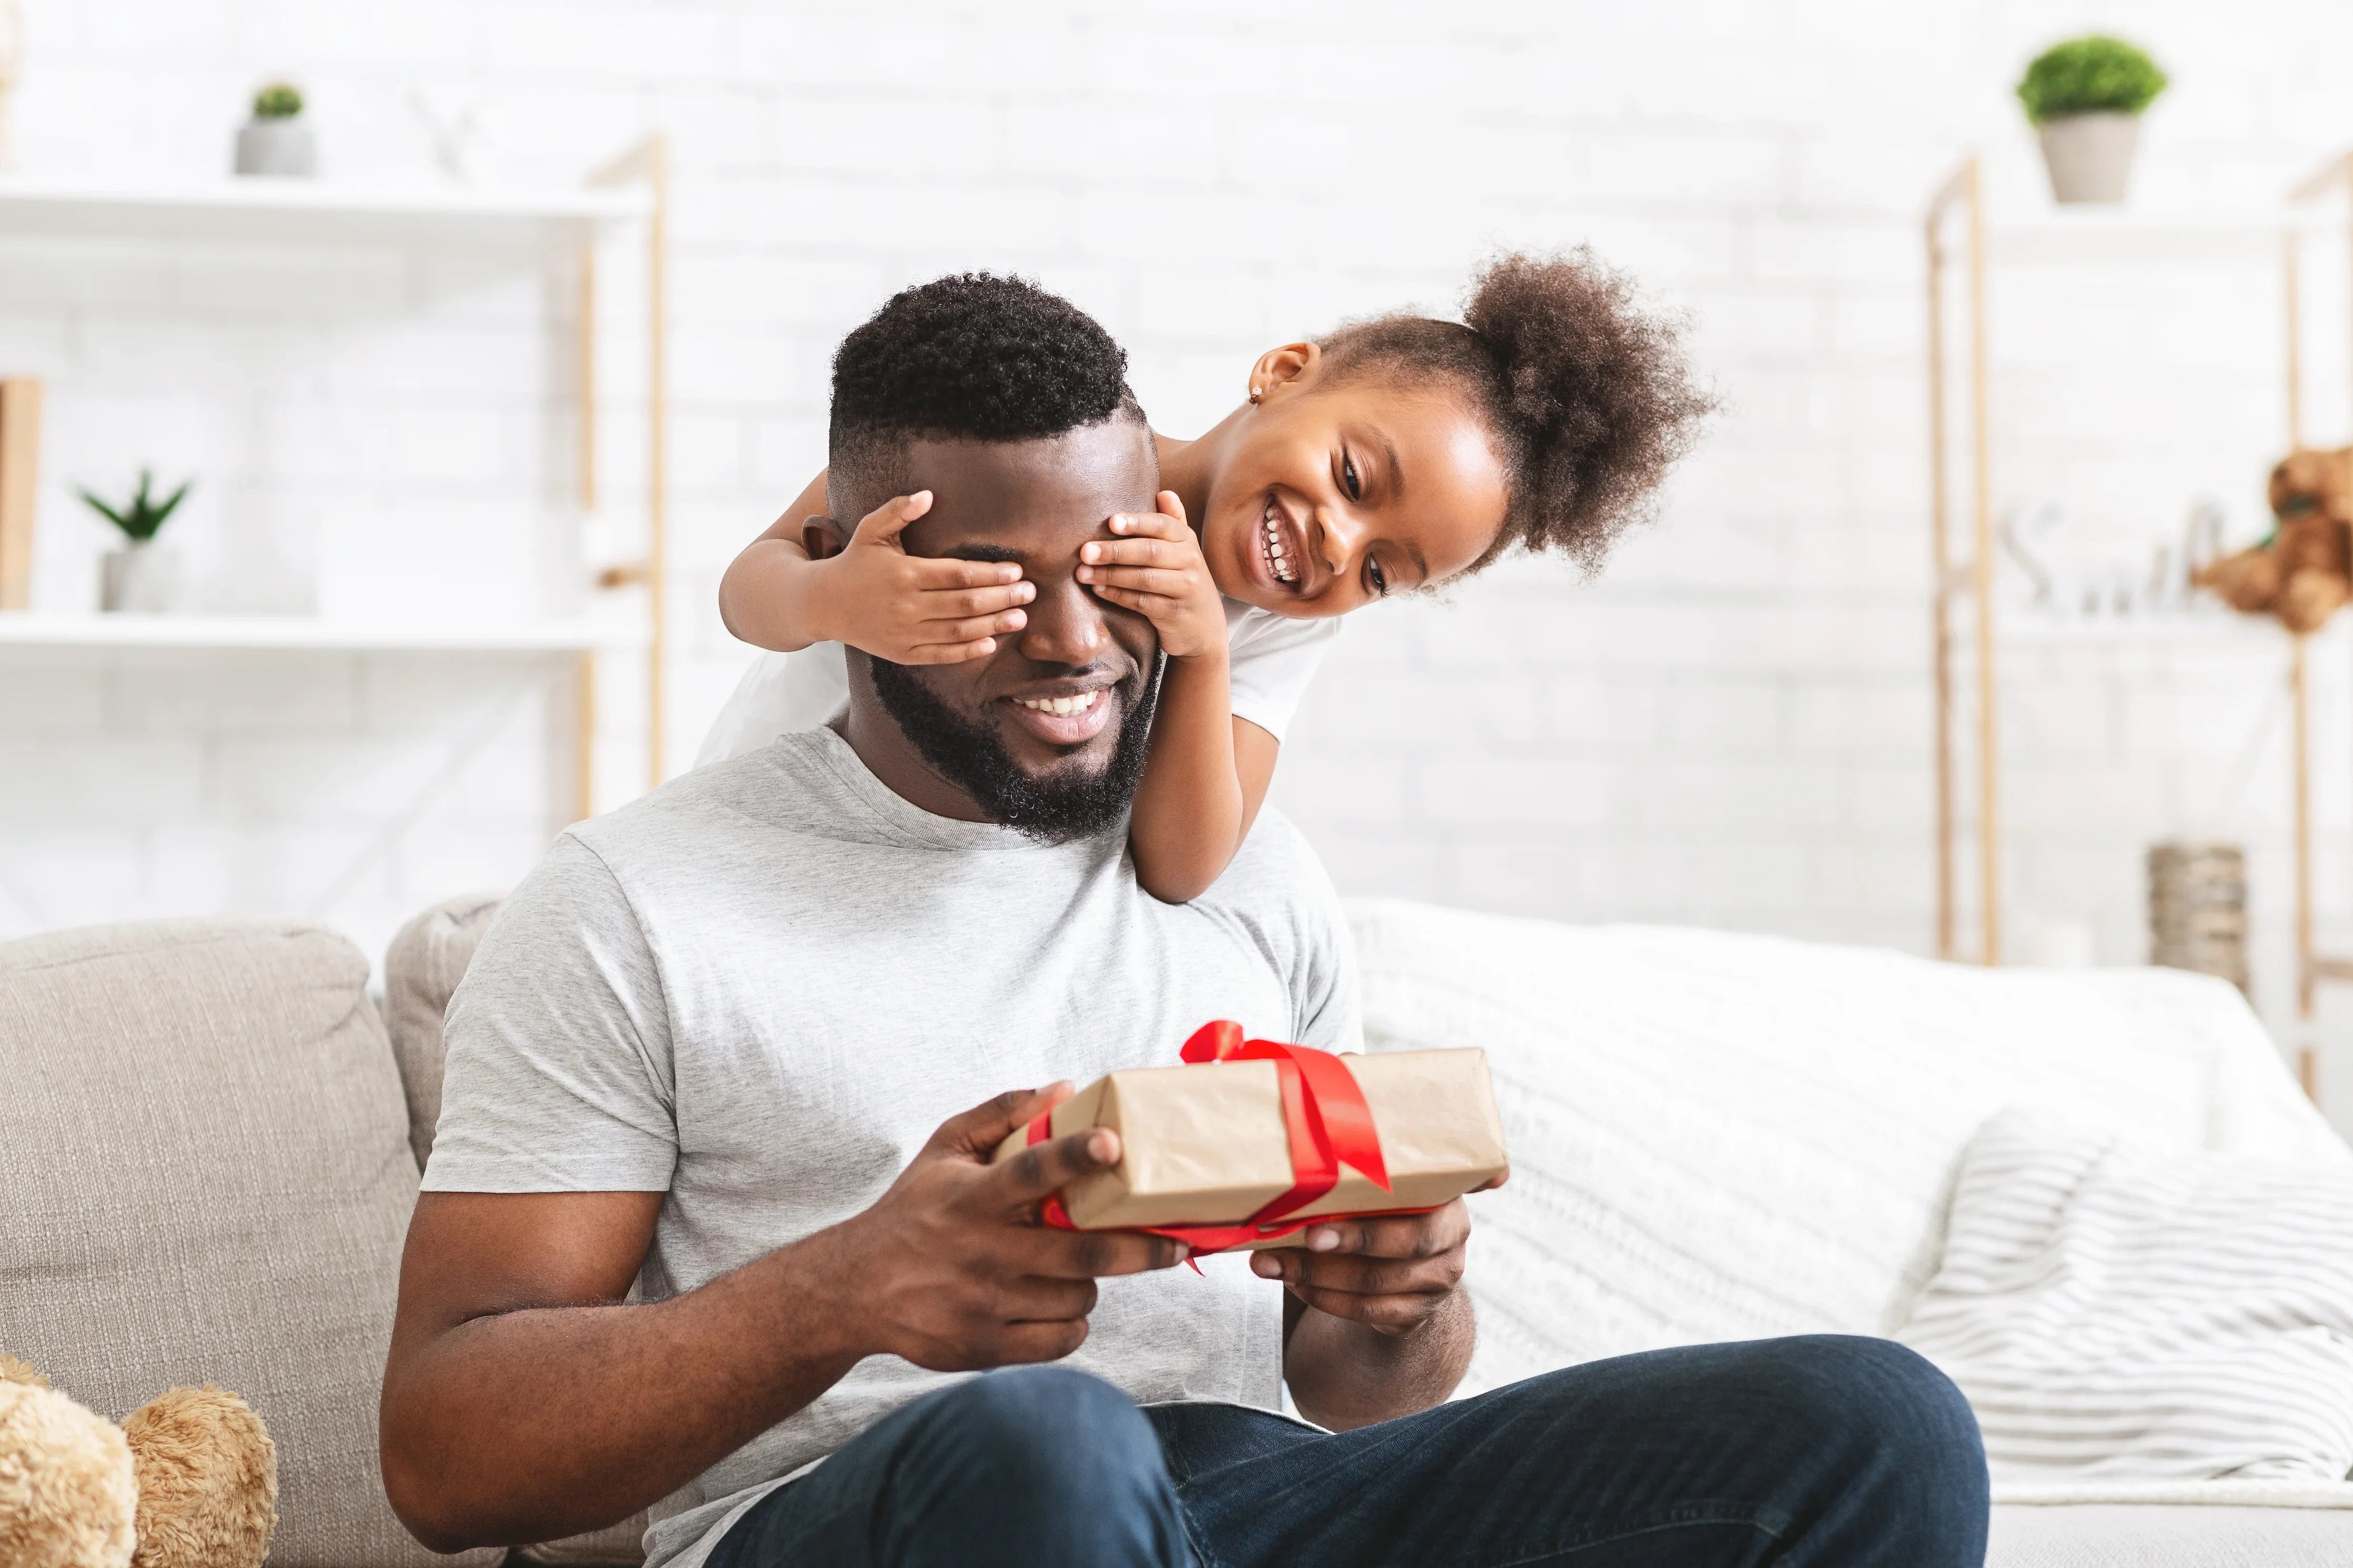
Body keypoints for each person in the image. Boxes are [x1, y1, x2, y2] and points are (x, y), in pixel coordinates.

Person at [380, 276, 1989, 1568]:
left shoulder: (1252, 874)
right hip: (879, 1505)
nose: (1082, 643)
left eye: (1118, 573)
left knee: (1876, 1415)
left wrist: (1398, 1296)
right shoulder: (628, 904)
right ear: (878, 564)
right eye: (1002, 584)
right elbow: (445, 1451)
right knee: (1044, 1438)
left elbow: (1359, 1398)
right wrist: (847, 1288)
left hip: (1253, 1498)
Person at [703, 256, 1714, 904]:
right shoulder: (1047, 448)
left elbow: (1184, 865)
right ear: (1282, 372)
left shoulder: (1275, 630)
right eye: (1353, 479)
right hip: (772, 813)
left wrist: (1203, 644)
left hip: (927, 878)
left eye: (1380, 571)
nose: (1335, 546)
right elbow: (750, 586)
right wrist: (834, 599)